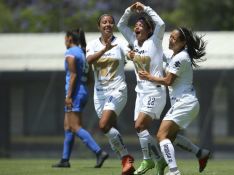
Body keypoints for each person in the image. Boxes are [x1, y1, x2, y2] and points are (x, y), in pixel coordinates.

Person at [138, 27, 211, 175]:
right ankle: (200, 153)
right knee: (170, 137)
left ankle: (174, 171)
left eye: (174, 38)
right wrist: (137, 54)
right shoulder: (175, 55)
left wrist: (149, 77)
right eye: (170, 36)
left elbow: (168, 81)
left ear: (183, 43)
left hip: (185, 102)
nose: (170, 39)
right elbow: (158, 55)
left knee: (161, 136)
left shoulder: (180, 57)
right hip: (186, 103)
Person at [117, 2, 167, 175]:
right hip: (141, 92)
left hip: (155, 90)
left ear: (148, 30)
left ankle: (154, 160)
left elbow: (161, 24)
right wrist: (129, 10)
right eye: (136, 25)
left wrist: (145, 8)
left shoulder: (155, 40)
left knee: (140, 125)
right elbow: (121, 25)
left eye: (141, 25)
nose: (137, 27)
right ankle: (152, 160)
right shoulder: (133, 41)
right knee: (139, 129)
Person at [86, 14, 135, 175]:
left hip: (117, 90)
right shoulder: (92, 44)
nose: (107, 24)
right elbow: (89, 60)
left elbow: (131, 54)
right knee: (108, 129)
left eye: (110, 22)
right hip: (99, 95)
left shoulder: (120, 43)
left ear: (113, 25)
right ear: (99, 25)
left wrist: (134, 55)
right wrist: (104, 50)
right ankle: (127, 161)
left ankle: (126, 158)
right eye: (104, 22)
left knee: (103, 124)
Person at [52, 28, 108, 168]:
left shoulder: (71, 52)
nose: (65, 41)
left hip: (75, 93)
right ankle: (65, 160)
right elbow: (89, 78)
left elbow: (73, 75)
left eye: (65, 38)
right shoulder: (83, 53)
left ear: (70, 38)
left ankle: (99, 152)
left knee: (75, 126)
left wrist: (69, 95)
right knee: (68, 127)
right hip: (82, 91)